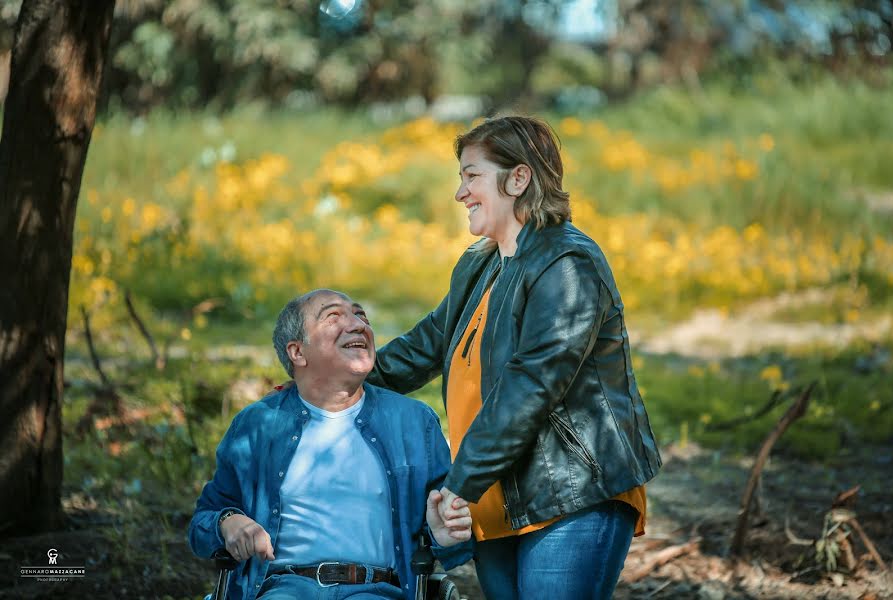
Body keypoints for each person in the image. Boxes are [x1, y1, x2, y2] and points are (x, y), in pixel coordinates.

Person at [367, 116, 662, 600]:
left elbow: (530, 388)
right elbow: (426, 345)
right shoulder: (480, 263)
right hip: (492, 500)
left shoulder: (568, 264)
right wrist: (336, 382)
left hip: (571, 498)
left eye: (472, 175)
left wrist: (458, 486)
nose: (460, 193)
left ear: (519, 178)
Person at [188, 289, 473, 600]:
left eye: (361, 315)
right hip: (283, 588)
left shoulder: (413, 422)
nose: (358, 325)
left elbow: (447, 529)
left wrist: (443, 534)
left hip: (375, 591)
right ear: (298, 353)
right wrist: (228, 522)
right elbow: (203, 522)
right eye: (333, 316)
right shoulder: (258, 424)